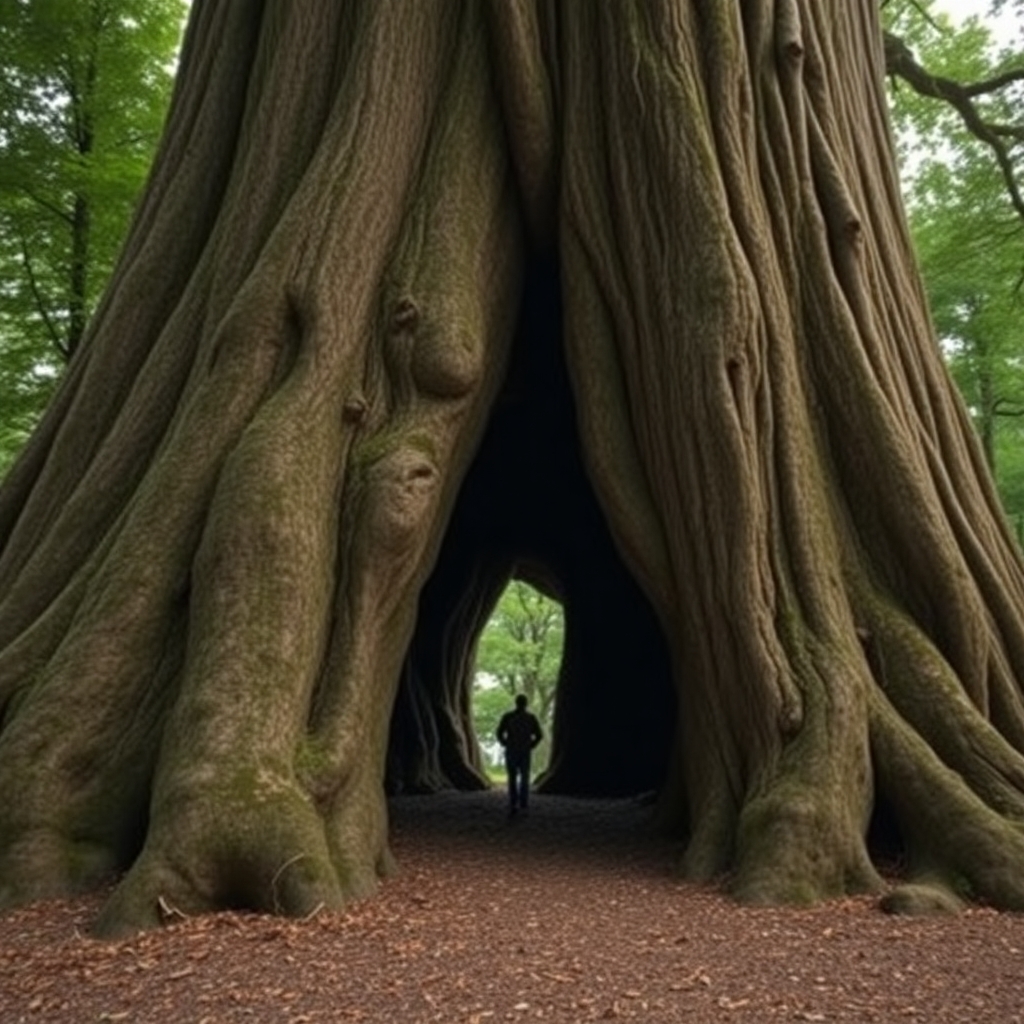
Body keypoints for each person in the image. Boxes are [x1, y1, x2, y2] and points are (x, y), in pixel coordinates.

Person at [496, 694, 543, 815]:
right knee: (524, 776)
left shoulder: (508, 716)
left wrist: (504, 743)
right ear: (526, 704)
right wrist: (532, 745)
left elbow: (499, 732)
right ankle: (523, 802)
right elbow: (539, 735)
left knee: (512, 776)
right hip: (525, 751)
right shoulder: (531, 718)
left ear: (516, 703)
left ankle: (513, 802)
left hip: (511, 750)